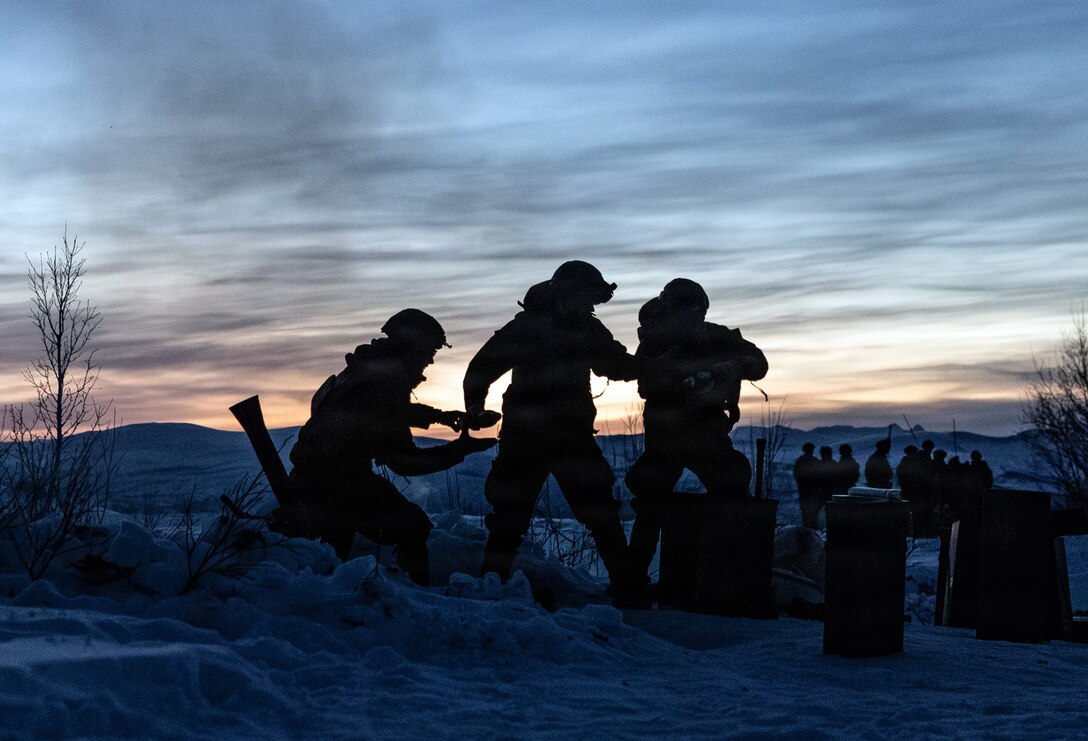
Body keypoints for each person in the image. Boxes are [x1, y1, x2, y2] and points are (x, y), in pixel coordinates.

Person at [462, 261, 639, 593]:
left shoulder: (587, 328)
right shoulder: (526, 328)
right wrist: (475, 406)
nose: (590, 307)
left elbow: (615, 365)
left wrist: (653, 367)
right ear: (566, 294)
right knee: (509, 518)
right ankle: (490, 586)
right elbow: (481, 369)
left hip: (571, 437)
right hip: (526, 438)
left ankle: (629, 589)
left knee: (600, 512)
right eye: (586, 299)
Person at [287, 309, 497, 586]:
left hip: (316, 480)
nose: (430, 360)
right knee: (414, 527)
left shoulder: (365, 373)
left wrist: (442, 417)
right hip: (338, 488)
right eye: (428, 352)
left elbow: (390, 411)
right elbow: (405, 461)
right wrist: (461, 450)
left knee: (330, 559)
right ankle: (414, 603)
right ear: (410, 348)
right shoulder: (382, 385)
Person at [624, 278, 768, 593]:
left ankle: (727, 579)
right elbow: (646, 384)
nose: (693, 316)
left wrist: (731, 366)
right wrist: (685, 379)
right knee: (651, 502)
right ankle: (632, 582)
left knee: (732, 492)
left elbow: (758, 365)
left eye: (696, 311)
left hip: (705, 434)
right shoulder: (656, 340)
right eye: (687, 309)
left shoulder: (715, 335)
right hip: (670, 437)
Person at [794, 442, 821, 527]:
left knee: (805, 508)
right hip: (812, 488)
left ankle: (807, 524)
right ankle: (811, 525)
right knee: (813, 508)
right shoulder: (815, 461)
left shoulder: (800, 461)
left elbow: (796, 474)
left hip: (805, 488)